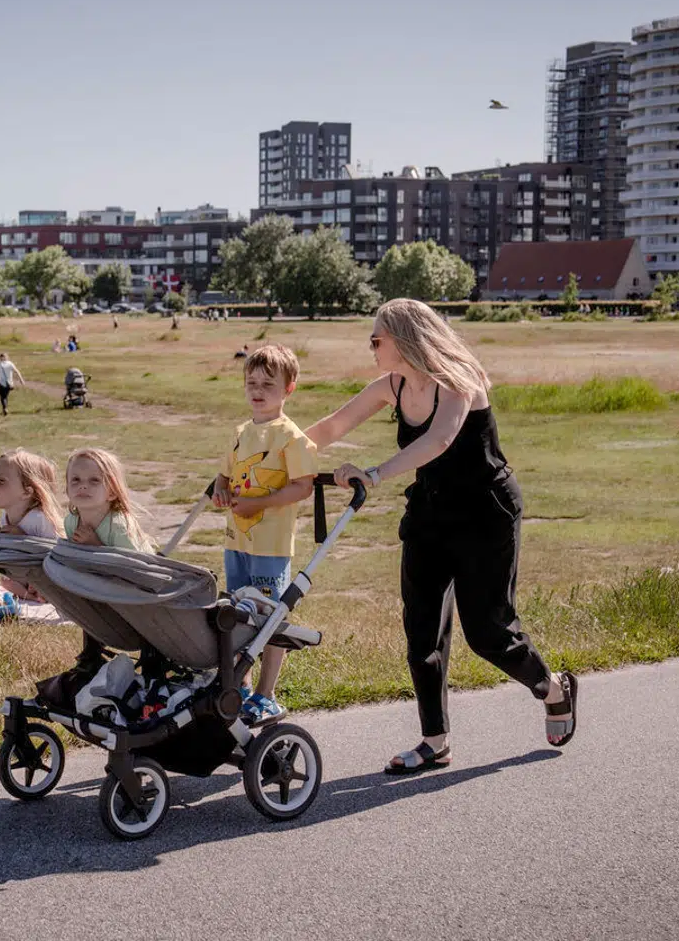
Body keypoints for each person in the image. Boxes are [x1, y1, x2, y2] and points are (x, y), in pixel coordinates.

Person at [303, 297, 577, 775]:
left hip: (484, 515)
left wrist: (374, 472)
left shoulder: (459, 379)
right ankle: (435, 741)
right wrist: (268, 456)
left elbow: (440, 440)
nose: (370, 348)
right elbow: (330, 427)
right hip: (430, 516)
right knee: (421, 630)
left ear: (404, 339)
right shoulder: (392, 385)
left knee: (488, 633)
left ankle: (553, 688)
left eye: (376, 340)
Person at [210, 343, 317, 724]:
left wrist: (260, 503)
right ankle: (240, 686)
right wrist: (222, 490)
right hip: (235, 542)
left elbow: (303, 487)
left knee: (270, 618)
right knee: (237, 616)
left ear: (289, 389)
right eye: (251, 382)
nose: (257, 390)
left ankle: (266, 694)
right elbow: (223, 476)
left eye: (268, 384)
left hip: (270, 547)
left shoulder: (292, 437)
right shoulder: (239, 432)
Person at [55, 448, 156, 684]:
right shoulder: (71, 521)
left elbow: (134, 568)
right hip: (101, 585)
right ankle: (91, 653)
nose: (83, 486)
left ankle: (153, 657)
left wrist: (96, 545)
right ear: (67, 488)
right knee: (86, 603)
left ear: (111, 492)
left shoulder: (118, 524)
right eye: (76, 480)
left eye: (94, 481)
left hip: (140, 592)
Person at [0, 449, 64, 600]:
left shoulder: (40, 518)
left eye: (1, 481)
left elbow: (58, 556)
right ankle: (31, 595)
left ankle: (39, 595)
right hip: (28, 577)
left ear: (26, 492)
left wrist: (23, 539)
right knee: (6, 581)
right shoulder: (6, 516)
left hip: (53, 577)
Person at [0, 352, 25, 416]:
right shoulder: (10, 363)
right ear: (6, 357)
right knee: (5, 396)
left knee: (2, 397)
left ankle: (5, 409)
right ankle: (5, 409)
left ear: (0, 357)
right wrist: (21, 380)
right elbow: (17, 371)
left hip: (1, 383)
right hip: (9, 383)